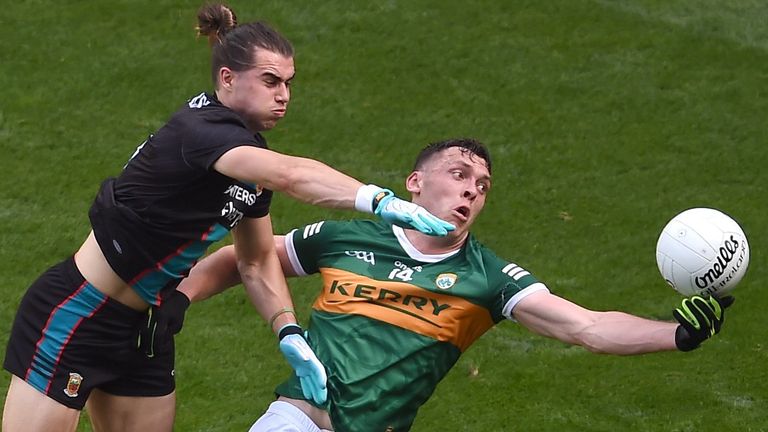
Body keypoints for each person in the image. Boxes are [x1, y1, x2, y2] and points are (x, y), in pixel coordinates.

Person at [1, 4, 455, 432]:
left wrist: (288, 330)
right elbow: (292, 175)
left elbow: (255, 260)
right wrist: (377, 199)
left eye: (289, 83)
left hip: (146, 331)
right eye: (271, 81)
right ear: (228, 78)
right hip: (77, 314)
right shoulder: (200, 132)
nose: (284, 96)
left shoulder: (248, 157)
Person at [174, 138, 734, 432]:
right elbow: (242, 258)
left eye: (482, 185)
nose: (471, 191)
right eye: (459, 175)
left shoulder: (488, 278)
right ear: (415, 183)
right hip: (294, 419)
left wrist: (676, 335)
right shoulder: (344, 238)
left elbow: (586, 327)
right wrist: (172, 300)